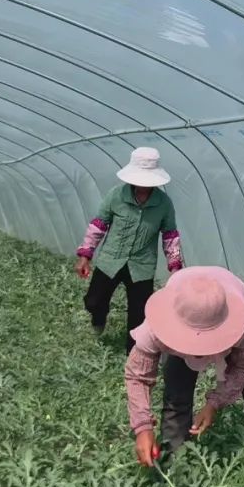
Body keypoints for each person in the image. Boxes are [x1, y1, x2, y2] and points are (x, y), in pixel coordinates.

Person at [123, 265, 244, 467]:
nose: (199, 350)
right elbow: (137, 376)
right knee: (176, 397)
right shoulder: (156, 330)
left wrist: (214, 404)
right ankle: (176, 465)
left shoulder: (243, 325)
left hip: (232, 325)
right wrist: (142, 426)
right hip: (181, 320)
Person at [75, 147, 183, 355]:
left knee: (139, 315)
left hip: (142, 266)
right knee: (93, 301)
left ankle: (132, 354)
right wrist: (85, 255)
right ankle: (99, 318)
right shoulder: (116, 195)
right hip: (111, 260)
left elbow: (170, 234)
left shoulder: (163, 204)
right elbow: (99, 224)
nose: (142, 185)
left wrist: (175, 265)